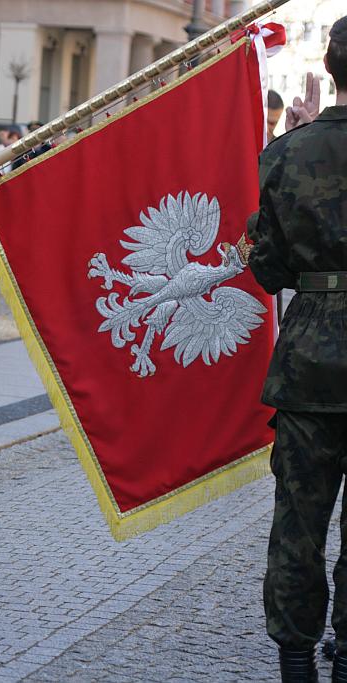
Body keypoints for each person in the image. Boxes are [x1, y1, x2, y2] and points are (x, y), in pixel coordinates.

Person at [246, 18, 347, 683]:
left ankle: (296, 662)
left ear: (331, 66)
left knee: (298, 528)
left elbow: (269, 268)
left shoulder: (288, 152)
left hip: (312, 360)